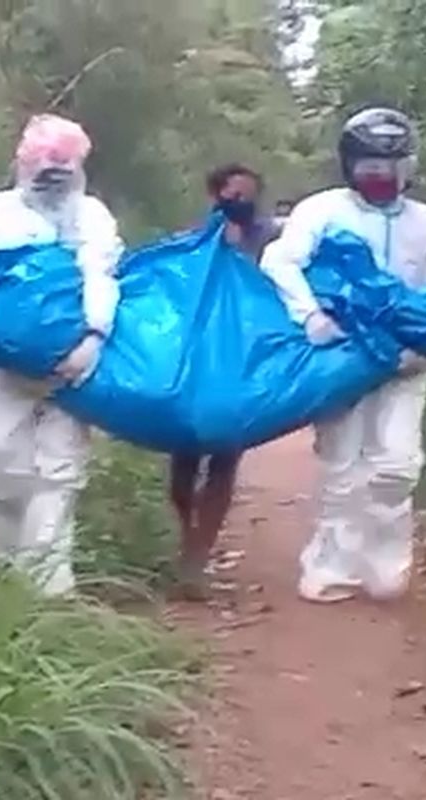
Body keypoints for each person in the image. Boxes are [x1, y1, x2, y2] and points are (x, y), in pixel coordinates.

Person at [259, 107, 426, 603]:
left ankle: (386, 567)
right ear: (350, 164)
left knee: (396, 463)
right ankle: (332, 566)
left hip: (405, 361)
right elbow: (279, 260)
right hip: (341, 356)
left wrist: (425, 349)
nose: (382, 177)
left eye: (392, 166)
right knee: (343, 464)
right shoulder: (322, 211)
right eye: (371, 166)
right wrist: (309, 317)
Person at [0, 114, 122, 597]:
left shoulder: (92, 216)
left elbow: (100, 271)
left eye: (62, 169)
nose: (52, 180)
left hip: (75, 362)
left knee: (60, 470)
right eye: (44, 168)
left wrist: (93, 334)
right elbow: (1, 282)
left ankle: (49, 586)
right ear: (22, 165)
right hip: (8, 364)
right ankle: (5, 552)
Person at [169, 163, 278, 600]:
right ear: (215, 196)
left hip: (240, 366)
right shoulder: (190, 241)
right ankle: (186, 534)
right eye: (235, 195)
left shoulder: (268, 241)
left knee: (224, 461)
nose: (243, 203)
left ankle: (197, 556)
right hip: (194, 367)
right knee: (182, 465)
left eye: (250, 195)